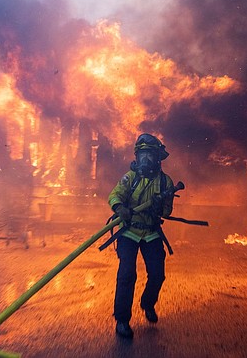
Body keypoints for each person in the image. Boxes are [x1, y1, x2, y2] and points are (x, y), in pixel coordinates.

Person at [108, 133, 174, 339]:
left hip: (152, 233)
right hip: (129, 232)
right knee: (127, 276)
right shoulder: (131, 177)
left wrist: (159, 208)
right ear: (137, 156)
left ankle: (147, 304)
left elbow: (167, 211)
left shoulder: (166, 182)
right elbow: (114, 194)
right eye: (142, 155)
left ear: (157, 158)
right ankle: (122, 320)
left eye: (149, 156)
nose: (145, 160)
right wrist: (119, 208)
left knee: (157, 274)